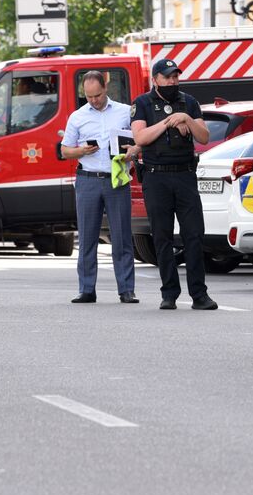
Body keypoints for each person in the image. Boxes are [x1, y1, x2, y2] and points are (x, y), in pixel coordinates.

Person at [132, 59, 217, 310]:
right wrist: (168, 122)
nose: (172, 81)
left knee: (193, 235)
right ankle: (169, 293)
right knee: (162, 236)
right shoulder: (142, 103)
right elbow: (140, 136)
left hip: (184, 176)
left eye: (175, 77)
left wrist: (186, 119)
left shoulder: (188, 102)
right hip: (156, 176)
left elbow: (203, 136)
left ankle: (199, 295)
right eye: (167, 77)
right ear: (155, 79)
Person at [60, 70, 137, 304]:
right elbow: (65, 151)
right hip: (88, 179)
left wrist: (131, 154)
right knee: (87, 236)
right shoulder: (77, 116)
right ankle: (86, 289)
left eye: (97, 95)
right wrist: (81, 151)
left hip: (116, 178)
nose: (93, 100)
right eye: (88, 96)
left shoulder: (125, 112)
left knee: (122, 236)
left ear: (106, 88)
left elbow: (137, 141)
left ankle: (126, 290)